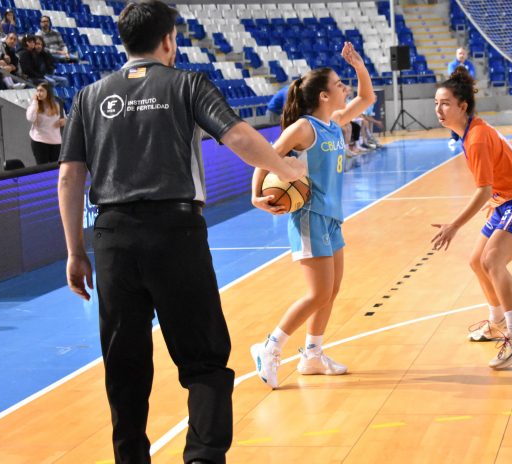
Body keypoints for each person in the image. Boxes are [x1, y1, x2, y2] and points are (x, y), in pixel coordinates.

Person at [57, 2, 305, 463]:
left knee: (124, 365)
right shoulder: (187, 84)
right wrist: (283, 167)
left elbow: (70, 177)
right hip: (175, 234)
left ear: (124, 40)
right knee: (205, 360)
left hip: (111, 237)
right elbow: (237, 137)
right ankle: (203, 458)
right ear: (168, 39)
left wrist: (75, 251)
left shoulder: (88, 96)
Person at [249, 42, 376, 389]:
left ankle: (313, 356)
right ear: (323, 95)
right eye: (339, 84)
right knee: (317, 293)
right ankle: (269, 347)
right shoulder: (304, 128)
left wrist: (359, 66)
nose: (345, 88)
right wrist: (256, 195)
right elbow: (267, 155)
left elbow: (367, 99)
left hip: (332, 217)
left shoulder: (334, 122)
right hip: (309, 216)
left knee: (331, 291)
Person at [431, 67, 512, 370]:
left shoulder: (477, 138)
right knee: (476, 261)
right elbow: (493, 185)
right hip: (507, 202)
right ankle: (497, 321)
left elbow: (482, 190)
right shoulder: (470, 132)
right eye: (436, 103)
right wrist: (496, 199)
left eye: (445, 103)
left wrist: (454, 226)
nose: (439, 109)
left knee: (492, 261)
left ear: (463, 106)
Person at [27, 82, 65, 164]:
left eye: (41, 91)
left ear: (48, 92)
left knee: (56, 168)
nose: (38, 93)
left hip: (55, 141)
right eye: (37, 91)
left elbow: (64, 118)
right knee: (42, 169)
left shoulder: (57, 105)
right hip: (39, 141)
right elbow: (30, 118)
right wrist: (34, 102)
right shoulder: (34, 106)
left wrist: (64, 121)